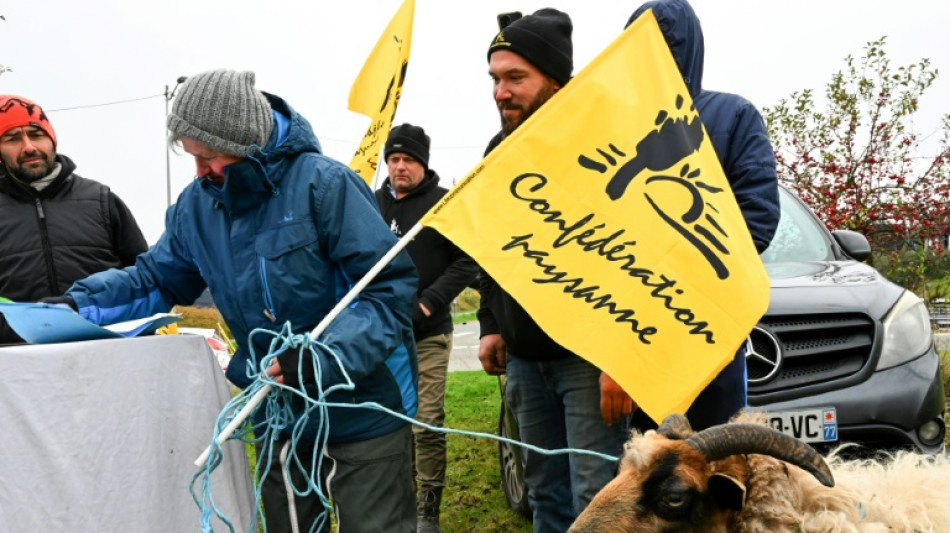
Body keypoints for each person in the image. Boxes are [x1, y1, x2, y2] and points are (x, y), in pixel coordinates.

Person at [52, 70, 419, 533]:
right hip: (276, 410)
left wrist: (323, 358)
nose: (200, 171)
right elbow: (154, 278)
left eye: (208, 156)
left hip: (363, 404)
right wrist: (74, 306)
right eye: (191, 157)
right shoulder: (195, 207)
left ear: (246, 142)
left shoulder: (325, 186)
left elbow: (386, 291)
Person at [477, 9, 630, 533]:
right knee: (545, 496)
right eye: (495, 79)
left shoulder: (604, 149)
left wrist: (621, 360)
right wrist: (492, 324)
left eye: (516, 78)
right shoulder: (498, 152)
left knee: (598, 502)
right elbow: (493, 247)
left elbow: (633, 261)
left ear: (556, 81)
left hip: (588, 364)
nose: (501, 92)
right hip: (523, 360)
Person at [624, 0, 780, 433]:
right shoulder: (615, 124)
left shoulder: (735, 116)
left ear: (686, 47)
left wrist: (677, 274)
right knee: (644, 462)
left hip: (708, 327)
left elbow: (759, 219)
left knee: (716, 457)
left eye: (664, 44)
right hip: (632, 327)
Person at [374, 123, 478, 533]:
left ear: (423, 163)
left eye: (409, 159)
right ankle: (399, 499)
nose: (400, 167)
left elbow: (468, 262)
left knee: (427, 420)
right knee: (388, 422)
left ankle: (427, 512)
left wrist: (428, 301)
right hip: (381, 335)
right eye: (394, 159)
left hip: (430, 332)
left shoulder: (443, 204)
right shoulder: (371, 204)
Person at [0, 95, 147, 344]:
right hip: (14, 367)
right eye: (12, 139)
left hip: (105, 357)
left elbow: (143, 278)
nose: (28, 147)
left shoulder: (101, 199)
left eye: (36, 135)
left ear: (52, 140)